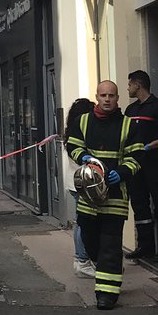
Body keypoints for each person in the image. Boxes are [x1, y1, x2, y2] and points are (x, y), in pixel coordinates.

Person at [66, 81, 142, 309]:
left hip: (115, 195)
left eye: (111, 95)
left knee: (110, 244)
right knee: (89, 241)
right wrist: (85, 158)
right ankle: (108, 267)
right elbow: (73, 146)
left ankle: (106, 294)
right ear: (97, 97)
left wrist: (121, 172)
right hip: (89, 196)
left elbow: (137, 157)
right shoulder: (84, 121)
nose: (107, 99)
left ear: (118, 98)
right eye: (103, 95)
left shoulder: (128, 125)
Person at [125, 70, 158, 261]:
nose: (128, 87)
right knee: (139, 205)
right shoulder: (130, 110)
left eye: (129, 84)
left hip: (154, 163)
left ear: (138, 85)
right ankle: (145, 246)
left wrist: (150, 146)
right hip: (135, 165)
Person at [64, 97, 97, 278]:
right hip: (83, 185)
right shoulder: (82, 133)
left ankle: (81, 260)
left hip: (74, 183)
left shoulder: (70, 132)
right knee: (83, 224)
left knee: (80, 222)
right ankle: (82, 260)